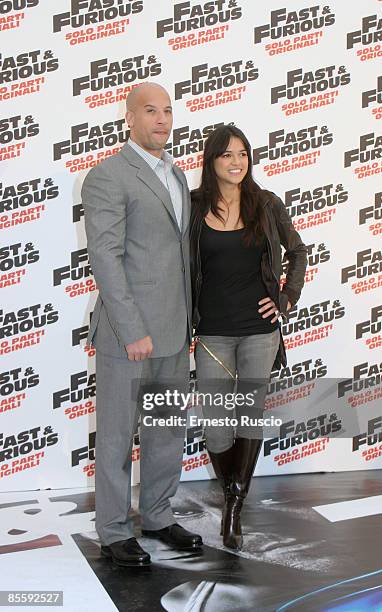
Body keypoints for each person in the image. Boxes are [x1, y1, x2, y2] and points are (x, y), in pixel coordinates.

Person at [81, 82, 202, 567]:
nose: (162, 120)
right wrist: (132, 328)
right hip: (126, 334)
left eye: (168, 111)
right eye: (151, 111)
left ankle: (156, 514)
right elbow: (106, 258)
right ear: (128, 118)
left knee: (166, 430)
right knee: (116, 435)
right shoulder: (108, 176)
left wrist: (191, 320)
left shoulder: (177, 177)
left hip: (174, 331)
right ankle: (112, 531)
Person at [190, 125, 307, 551]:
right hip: (212, 333)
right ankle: (230, 489)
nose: (236, 162)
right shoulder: (193, 206)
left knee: (248, 415)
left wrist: (285, 298)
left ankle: (233, 507)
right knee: (218, 425)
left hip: (260, 332)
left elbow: (298, 251)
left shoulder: (266, 203)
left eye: (242, 154)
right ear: (212, 161)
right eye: (227, 155)